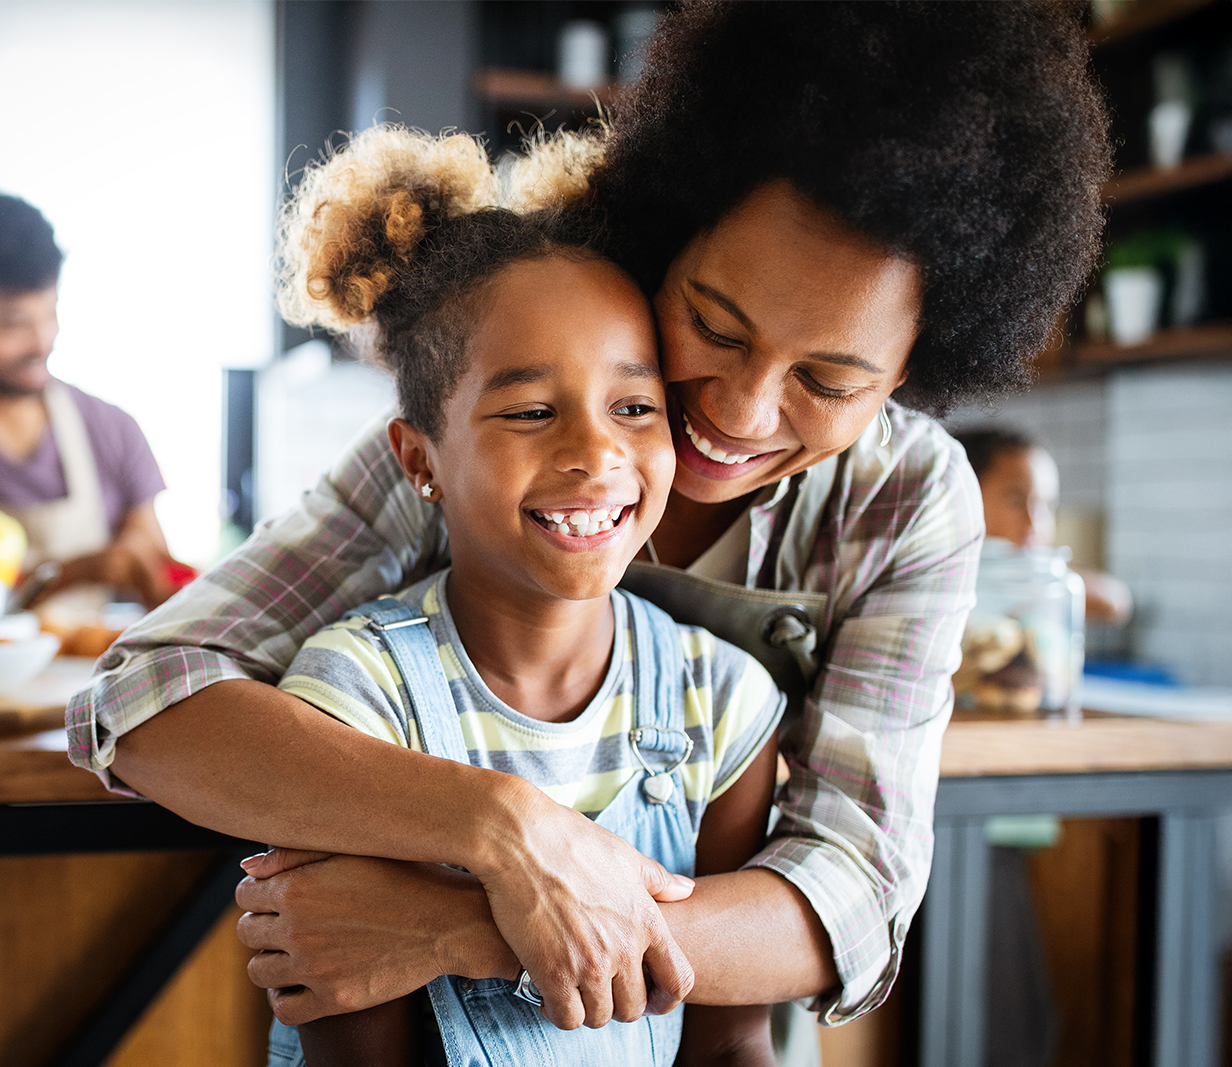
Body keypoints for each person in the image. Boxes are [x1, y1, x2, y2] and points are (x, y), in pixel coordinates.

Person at [65, 1, 1111, 1053]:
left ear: (909, 376)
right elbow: (148, 699)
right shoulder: (509, 416)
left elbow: (850, 889)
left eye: (828, 380)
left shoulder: (905, 499)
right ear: (671, 232)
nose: (739, 412)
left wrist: (471, 923)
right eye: (711, 322)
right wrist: (499, 824)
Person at [260, 125, 785, 1067]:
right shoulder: (357, 699)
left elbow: (730, 1040)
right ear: (420, 459)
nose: (595, 454)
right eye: (533, 411)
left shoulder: (725, 701)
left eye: (634, 406)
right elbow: (353, 1028)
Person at [0, 194, 186, 612]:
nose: (42, 341)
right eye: (14, 324)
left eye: (50, 313)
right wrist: (75, 571)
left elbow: (159, 579)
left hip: (83, 676)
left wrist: (147, 567)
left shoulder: (111, 429)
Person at [954, 427, 1133, 626]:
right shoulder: (950, 576)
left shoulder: (1047, 581)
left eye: (1046, 504)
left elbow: (1114, 601)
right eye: (1015, 500)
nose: (1034, 522)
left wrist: (1042, 573)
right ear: (966, 497)